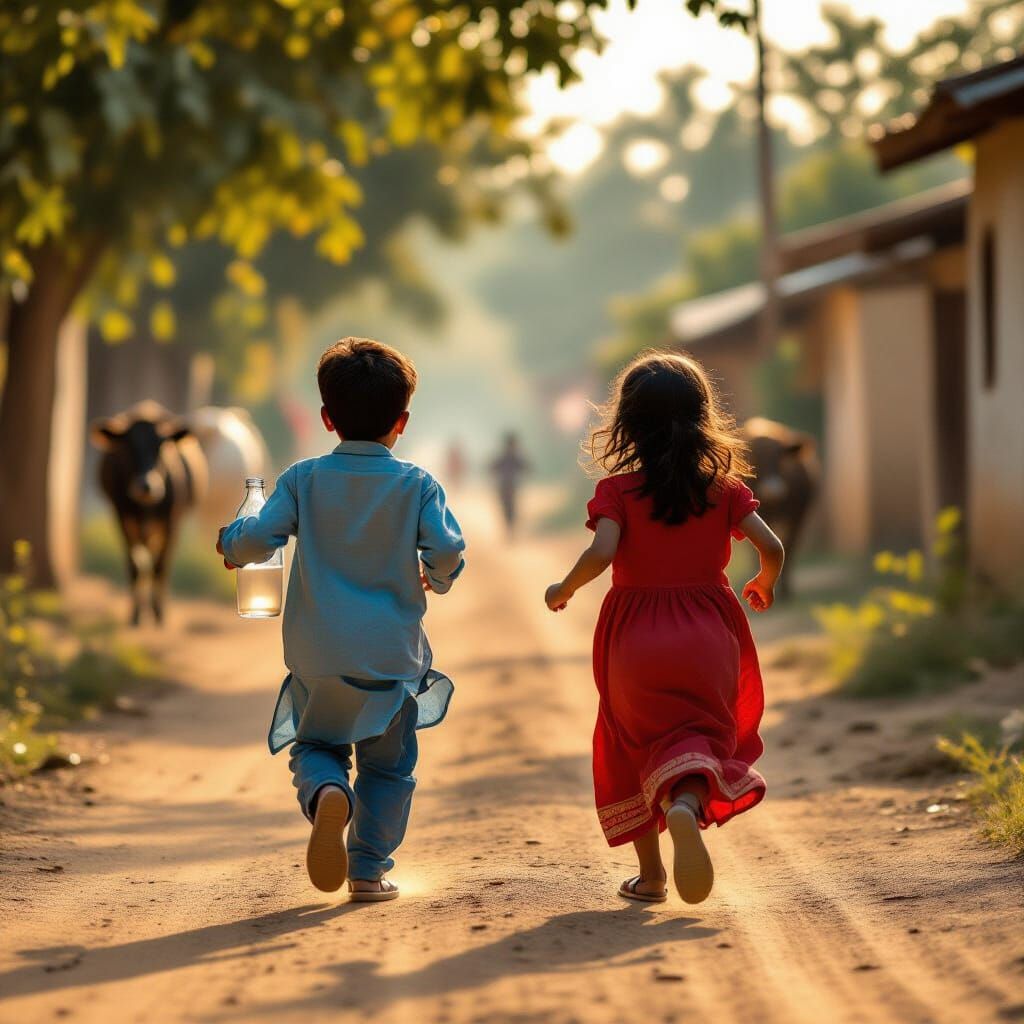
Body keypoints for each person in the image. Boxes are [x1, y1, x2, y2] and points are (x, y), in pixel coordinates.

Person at [217, 338, 465, 901]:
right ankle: (368, 869)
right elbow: (447, 551)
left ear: (327, 418)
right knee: (389, 767)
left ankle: (328, 790)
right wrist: (439, 575)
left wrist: (231, 546)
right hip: (391, 658)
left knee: (317, 744)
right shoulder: (418, 485)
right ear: (401, 422)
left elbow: (257, 538)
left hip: (318, 657)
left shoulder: (303, 479)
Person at [543, 350, 783, 905]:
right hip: (709, 632)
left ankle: (651, 877)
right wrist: (765, 582)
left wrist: (566, 588)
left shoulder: (618, 493)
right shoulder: (723, 489)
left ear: (626, 422)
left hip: (635, 638)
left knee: (631, 744)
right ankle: (686, 805)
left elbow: (602, 552)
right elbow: (771, 545)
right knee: (700, 730)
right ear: (704, 416)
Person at [490, 431, 529, 538]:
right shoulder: (510, 457)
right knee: (508, 508)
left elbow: (492, 468)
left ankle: (510, 530)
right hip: (506, 487)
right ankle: (510, 530)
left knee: (510, 508)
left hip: (509, 487)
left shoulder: (508, 457)